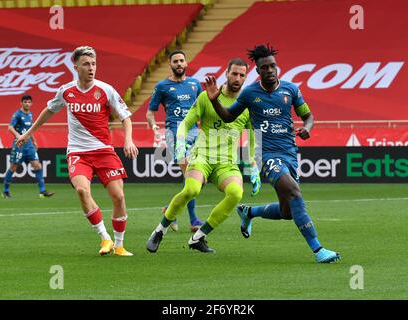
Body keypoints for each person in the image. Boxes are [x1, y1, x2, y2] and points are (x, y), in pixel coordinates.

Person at [204, 44, 340, 263]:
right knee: (295, 193)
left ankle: (249, 212)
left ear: (277, 67)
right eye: (264, 67)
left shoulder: (291, 90)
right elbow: (229, 116)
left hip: (289, 152)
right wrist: (214, 100)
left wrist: (308, 128)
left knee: (288, 211)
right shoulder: (249, 93)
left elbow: (308, 116)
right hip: (267, 154)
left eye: (272, 66)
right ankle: (318, 249)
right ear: (258, 71)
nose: (269, 70)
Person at [16, 46, 138, 257]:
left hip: (104, 151)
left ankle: (119, 245)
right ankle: (104, 238)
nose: (91, 68)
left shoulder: (106, 90)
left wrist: (128, 140)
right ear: (76, 67)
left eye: (93, 64)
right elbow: (48, 111)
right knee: (82, 191)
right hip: (78, 153)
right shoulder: (66, 91)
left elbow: (125, 116)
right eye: (86, 64)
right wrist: (28, 133)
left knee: (118, 196)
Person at [147, 58, 261, 253]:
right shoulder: (206, 97)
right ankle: (160, 230)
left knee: (235, 194)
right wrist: (181, 144)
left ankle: (199, 237)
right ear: (226, 73)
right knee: (191, 190)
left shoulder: (247, 104)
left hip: (226, 162)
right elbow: (185, 123)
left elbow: (252, 136)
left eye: (242, 75)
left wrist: (254, 165)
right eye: (234, 73)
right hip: (202, 155)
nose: (237, 78)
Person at [146, 50, 204, 232]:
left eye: (181, 61)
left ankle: (168, 211)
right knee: (190, 176)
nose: (179, 64)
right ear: (170, 65)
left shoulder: (195, 84)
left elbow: (203, 107)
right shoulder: (162, 86)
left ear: (186, 63)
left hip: (195, 134)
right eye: (175, 61)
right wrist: (155, 127)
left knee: (199, 181)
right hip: (175, 135)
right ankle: (194, 220)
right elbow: (150, 113)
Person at [2, 95, 54, 199]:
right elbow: (10, 127)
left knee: (37, 166)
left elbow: (30, 130)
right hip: (19, 145)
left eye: (29, 102)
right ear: (21, 103)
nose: (27, 104)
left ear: (31, 104)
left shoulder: (30, 115)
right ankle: (5, 191)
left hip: (29, 145)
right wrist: (19, 136)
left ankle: (42, 191)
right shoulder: (17, 114)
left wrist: (34, 141)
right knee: (13, 167)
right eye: (25, 102)